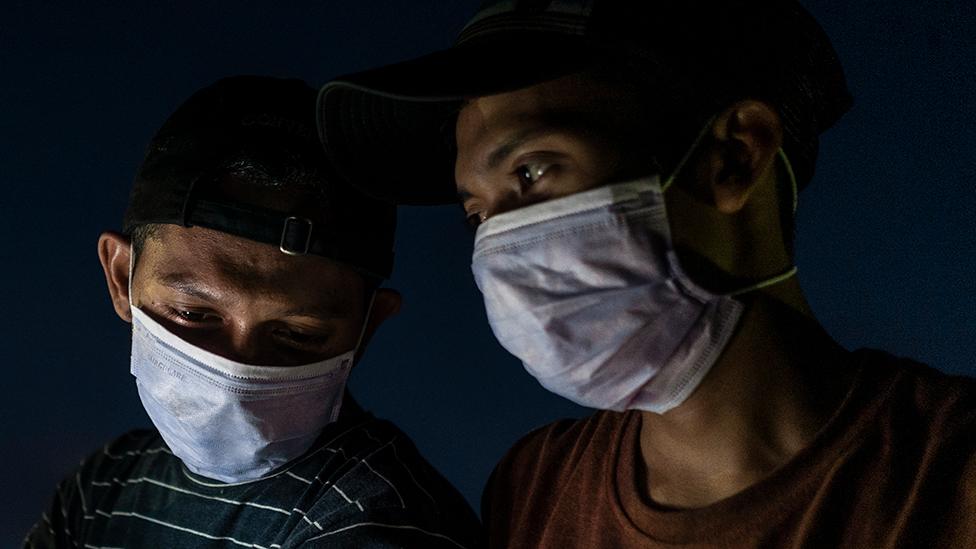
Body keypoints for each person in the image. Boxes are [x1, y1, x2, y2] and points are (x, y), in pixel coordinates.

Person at [315, 1, 976, 547]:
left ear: (734, 156)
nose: (496, 248)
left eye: (531, 172)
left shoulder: (948, 479)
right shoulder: (534, 485)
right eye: (477, 213)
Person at [24, 76, 481, 549]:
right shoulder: (104, 487)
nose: (236, 376)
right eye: (192, 313)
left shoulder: (376, 521)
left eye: (295, 334)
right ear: (121, 278)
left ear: (367, 328)